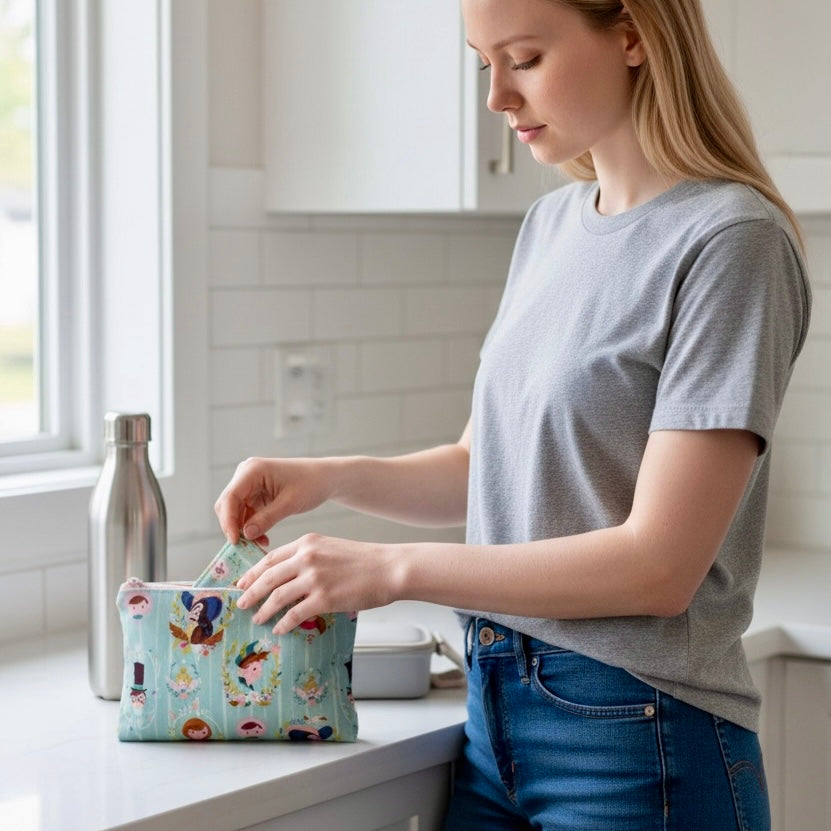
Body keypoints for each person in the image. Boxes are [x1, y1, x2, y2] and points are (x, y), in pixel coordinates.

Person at [214, 0, 812, 827]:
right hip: (495, 721)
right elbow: (485, 467)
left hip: (639, 740)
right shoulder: (550, 225)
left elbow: (659, 566)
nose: (495, 96)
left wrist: (394, 569)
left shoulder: (729, 241)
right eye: (481, 62)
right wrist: (325, 477)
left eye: (523, 58)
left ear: (633, 34)